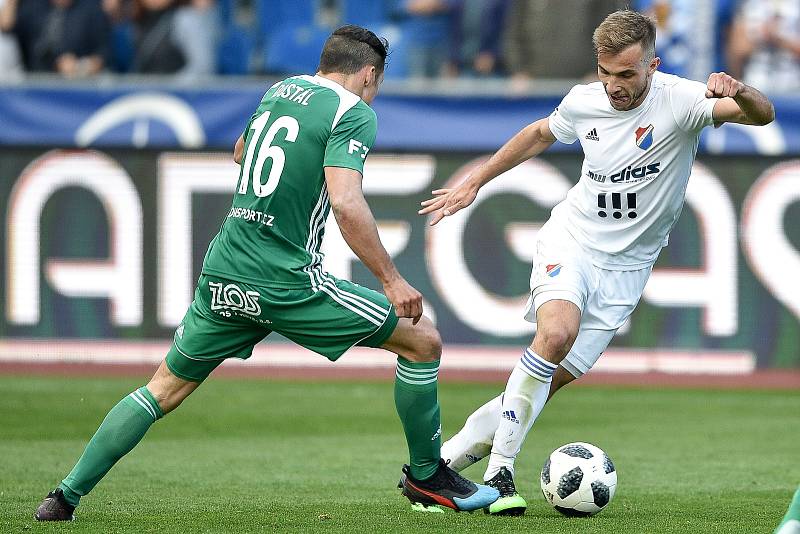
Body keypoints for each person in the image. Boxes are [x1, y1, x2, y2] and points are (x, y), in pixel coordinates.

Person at [34, 24, 498, 522]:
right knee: (422, 339)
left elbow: (240, 152)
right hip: (287, 281)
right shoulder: (353, 112)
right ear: (368, 74)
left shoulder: (279, 91)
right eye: (377, 84)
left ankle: (63, 497)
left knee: (162, 388)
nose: (375, 94)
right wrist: (391, 279)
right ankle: (427, 476)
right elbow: (345, 201)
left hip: (225, 272)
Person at [419, 8, 774, 516]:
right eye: (606, 72)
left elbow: (762, 115)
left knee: (545, 382)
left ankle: (441, 465)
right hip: (574, 240)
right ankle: (500, 472)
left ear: (652, 64)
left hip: (627, 271)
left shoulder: (683, 101)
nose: (613, 86)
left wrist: (739, 91)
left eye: (626, 75)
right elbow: (539, 133)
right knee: (555, 334)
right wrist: (475, 180)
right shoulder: (585, 101)